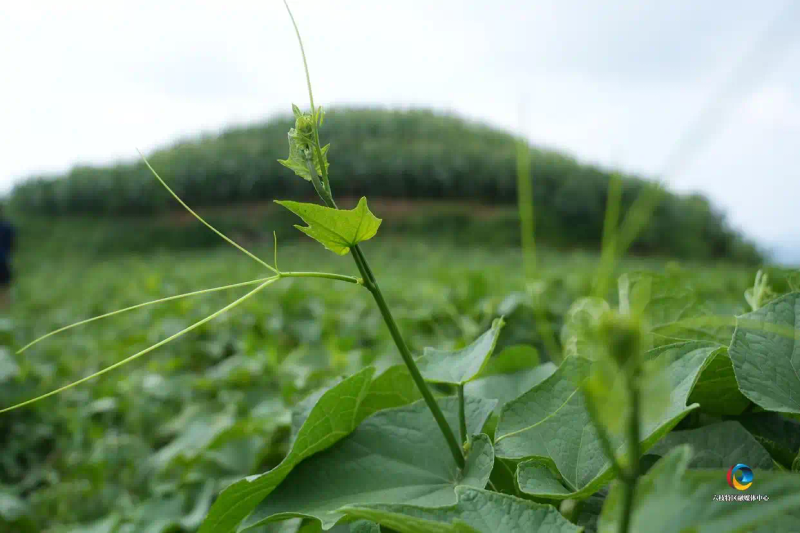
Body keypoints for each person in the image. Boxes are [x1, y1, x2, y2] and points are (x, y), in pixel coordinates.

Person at [0, 206, 15, 309]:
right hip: (4, 259)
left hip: (3, 259)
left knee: (5, 286)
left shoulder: (7, 226)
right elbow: (12, 244)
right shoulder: (7, 226)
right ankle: (5, 308)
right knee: (5, 287)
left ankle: (5, 308)